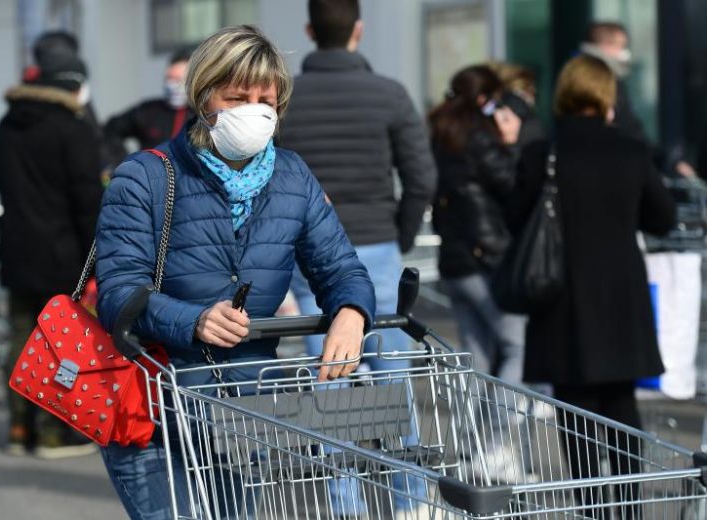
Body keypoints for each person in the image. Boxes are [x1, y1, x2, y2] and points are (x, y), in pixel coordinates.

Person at [94, 25, 375, 520]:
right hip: (153, 406)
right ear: (204, 98)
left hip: (241, 414)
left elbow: (340, 267)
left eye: (266, 99)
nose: (254, 110)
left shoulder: (292, 176)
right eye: (237, 96)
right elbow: (118, 292)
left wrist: (352, 312)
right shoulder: (145, 176)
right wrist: (194, 320)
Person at [277, 1, 436, 516]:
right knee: (393, 380)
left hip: (307, 256)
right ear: (358, 31)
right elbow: (421, 178)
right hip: (376, 246)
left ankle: (346, 504)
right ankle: (411, 500)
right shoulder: (388, 94)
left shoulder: (287, 101)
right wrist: (400, 233)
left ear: (309, 31)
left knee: (332, 384)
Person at [506, 55, 675, 517]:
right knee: (622, 407)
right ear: (607, 97)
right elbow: (663, 216)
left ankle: (592, 509)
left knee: (575, 415)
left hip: (562, 303)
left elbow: (515, 217)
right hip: (621, 304)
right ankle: (628, 507)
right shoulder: (630, 150)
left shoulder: (543, 154)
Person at [0, 53, 104, 458]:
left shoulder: (7, 126)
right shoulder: (72, 130)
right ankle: (54, 433)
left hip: (16, 249)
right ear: (74, 87)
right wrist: (97, 256)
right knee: (60, 344)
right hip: (61, 254)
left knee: (21, 337)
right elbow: (87, 199)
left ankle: (19, 428)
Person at [428, 65, 531, 481]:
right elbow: (513, 184)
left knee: (477, 357)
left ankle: (470, 446)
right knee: (517, 346)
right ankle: (494, 444)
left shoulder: (439, 132)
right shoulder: (480, 136)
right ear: (485, 98)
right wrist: (512, 143)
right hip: (485, 258)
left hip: (454, 262)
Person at [581, 21, 696, 178]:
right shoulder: (599, 80)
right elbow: (627, 129)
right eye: (620, 46)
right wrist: (664, 160)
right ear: (605, 45)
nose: (624, 53)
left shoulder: (582, 74)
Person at [104, 48, 191, 167]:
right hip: (150, 179)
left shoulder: (201, 115)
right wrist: (123, 161)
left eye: (179, 80)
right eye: (169, 78)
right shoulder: (148, 110)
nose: (172, 85)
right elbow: (111, 129)